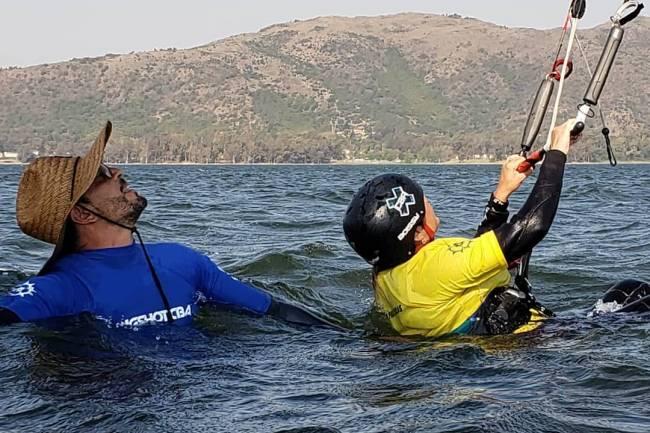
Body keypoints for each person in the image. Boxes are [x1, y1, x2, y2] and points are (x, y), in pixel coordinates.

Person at [0, 121, 328, 328]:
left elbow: (276, 313)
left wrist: (359, 344)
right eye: (99, 175)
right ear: (82, 214)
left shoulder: (183, 260)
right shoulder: (61, 287)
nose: (115, 172)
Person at [343, 119, 580, 338]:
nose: (428, 202)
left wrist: (501, 196)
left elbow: (471, 267)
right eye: (423, 201)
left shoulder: (385, 279)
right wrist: (558, 152)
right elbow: (532, 226)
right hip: (536, 342)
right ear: (417, 232)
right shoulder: (437, 263)